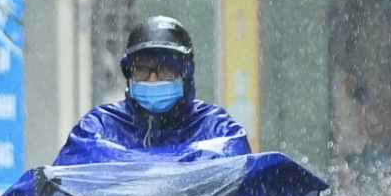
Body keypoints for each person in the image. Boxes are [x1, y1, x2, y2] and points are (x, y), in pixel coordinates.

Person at [54, 16, 250, 161]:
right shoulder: (100, 126)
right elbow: (64, 189)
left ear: (185, 73)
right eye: (142, 69)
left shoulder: (216, 128)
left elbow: (238, 172)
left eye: (165, 69)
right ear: (128, 72)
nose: (153, 79)